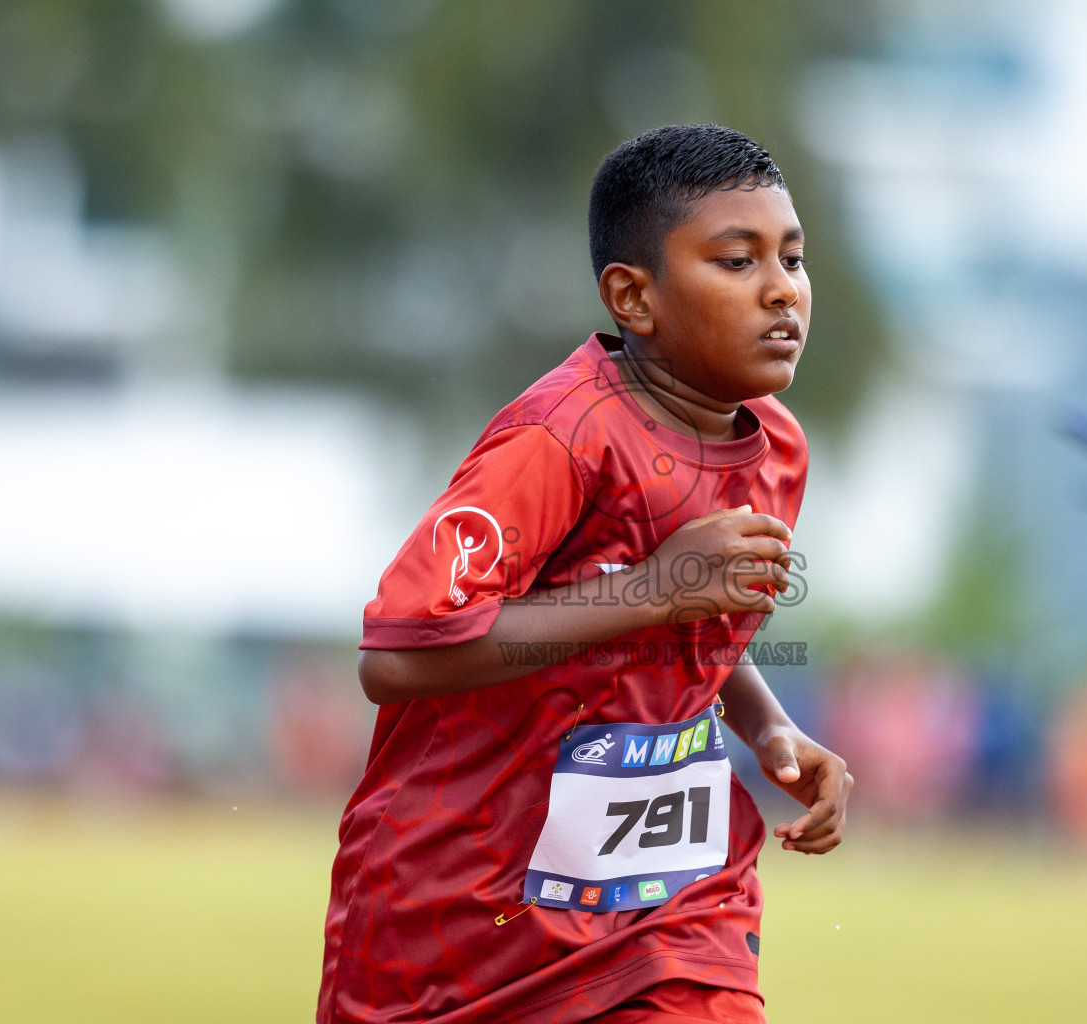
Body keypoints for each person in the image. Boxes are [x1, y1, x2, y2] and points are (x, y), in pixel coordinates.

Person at [317, 125, 853, 1024]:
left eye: (792, 260)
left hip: (670, 911)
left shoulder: (780, 449)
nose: (781, 292)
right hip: (465, 915)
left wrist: (768, 730)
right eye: (735, 261)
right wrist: (655, 587)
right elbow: (398, 659)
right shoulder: (558, 440)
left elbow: (701, 632)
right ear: (632, 297)